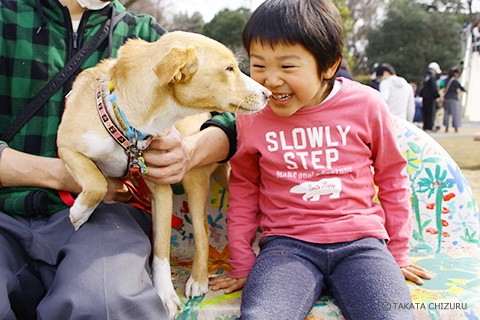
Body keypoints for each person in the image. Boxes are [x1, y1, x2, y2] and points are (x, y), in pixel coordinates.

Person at [0, 0, 232, 318]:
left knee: (110, 303)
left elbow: (233, 111)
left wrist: (191, 149)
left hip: (107, 220)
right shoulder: (6, 17)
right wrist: (65, 175)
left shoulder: (143, 35)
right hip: (5, 213)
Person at [209, 0, 431, 319]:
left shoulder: (366, 105)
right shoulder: (252, 115)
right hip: (286, 249)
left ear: (328, 65)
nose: (270, 80)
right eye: (258, 66)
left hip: (362, 245)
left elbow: (392, 177)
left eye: (286, 67)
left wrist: (398, 253)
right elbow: (244, 189)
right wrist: (242, 263)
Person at [441, 67, 467, 132]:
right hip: (453, 98)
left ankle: (446, 127)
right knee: (455, 113)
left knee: (446, 113)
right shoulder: (454, 80)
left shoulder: (446, 80)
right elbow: (460, 87)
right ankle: (456, 127)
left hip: (446, 98)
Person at [419, 62, 442, 132]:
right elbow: (433, 88)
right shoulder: (432, 77)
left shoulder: (425, 76)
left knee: (425, 112)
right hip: (431, 97)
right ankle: (429, 127)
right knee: (431, 113)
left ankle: (425, 126)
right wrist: (437, 95)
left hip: (424, 97)